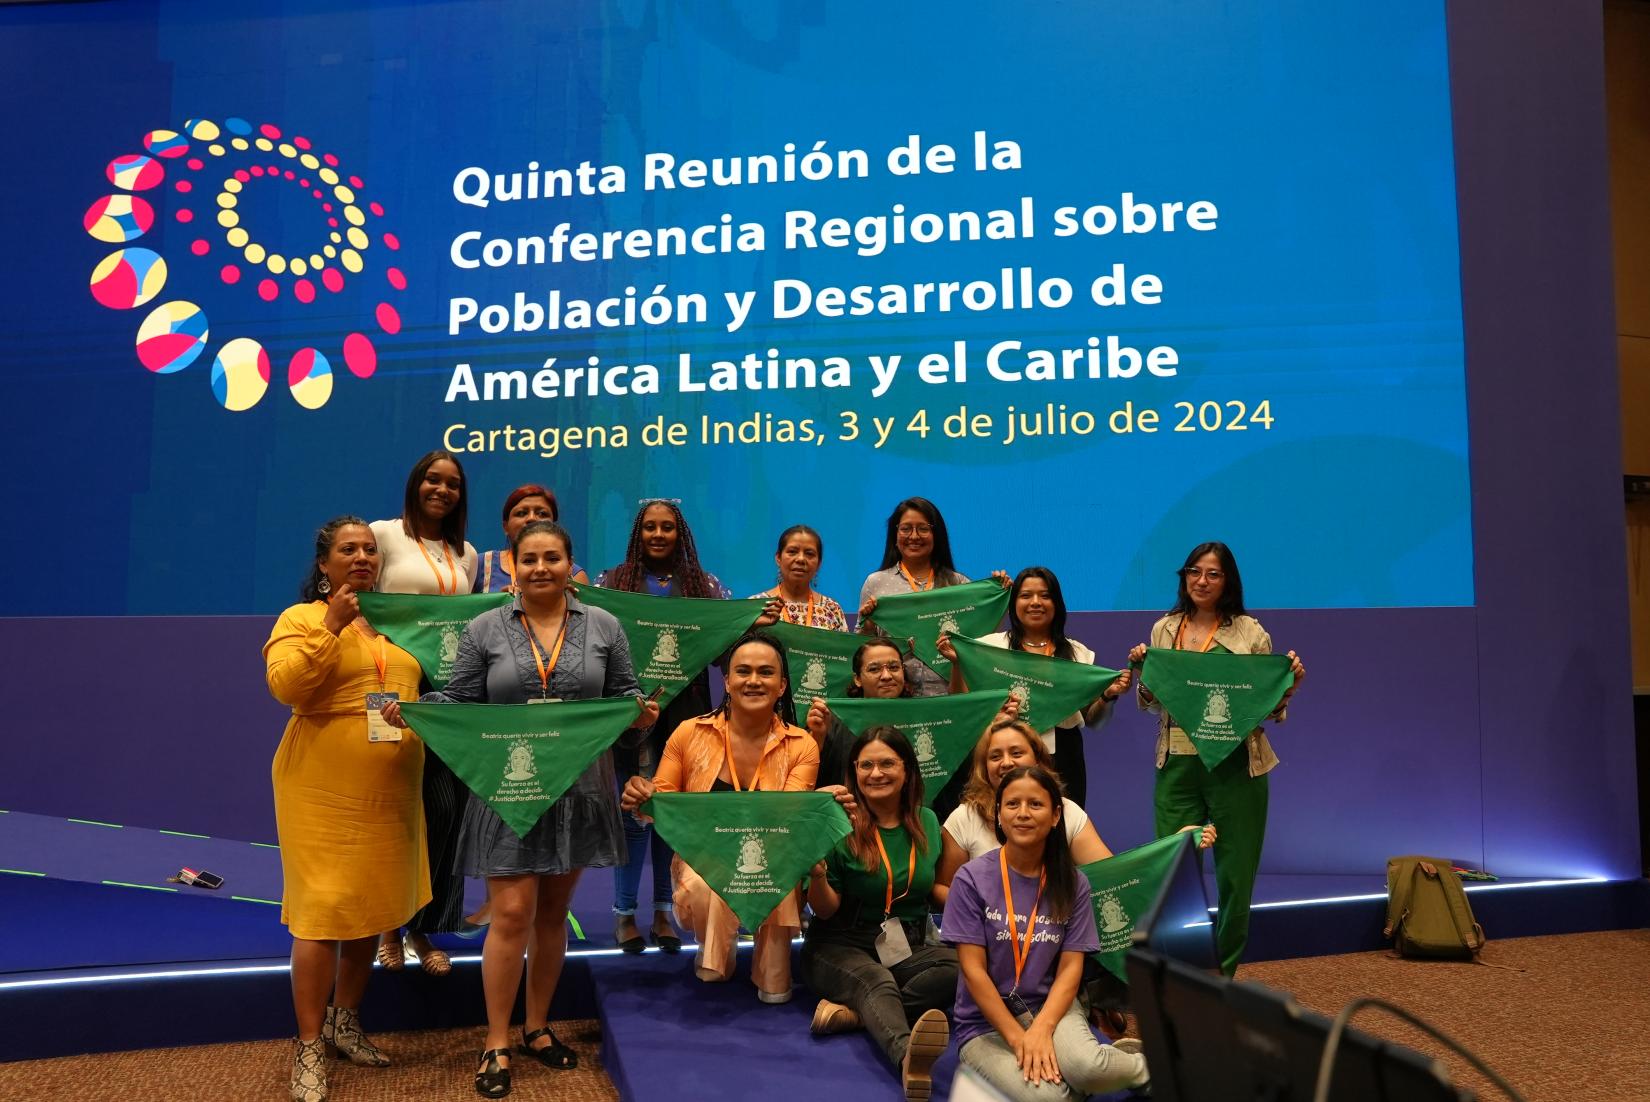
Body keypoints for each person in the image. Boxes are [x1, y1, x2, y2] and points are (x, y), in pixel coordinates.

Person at [381, 520, 659, 1099]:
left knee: (553, 917)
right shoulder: (485, 627)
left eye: (552, 558)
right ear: (512, 564)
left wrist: (639, 718)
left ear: (569, 563)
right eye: (529, 559)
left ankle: (537, 1027)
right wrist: (417, 710)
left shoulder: (604, 625)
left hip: (580, 791)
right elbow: (457, 699)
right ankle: (497, 1040)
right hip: (507, 789)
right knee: (510, 916)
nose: (540, 568)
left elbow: (625, 698)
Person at [264, 516, 430, 1102]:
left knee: (371, 904)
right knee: (322, 909)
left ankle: (345, 1020)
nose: (361, 557)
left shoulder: (396, 624)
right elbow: (287, 686)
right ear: (325, 564)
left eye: (368, 549)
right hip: (320, 786)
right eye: (347, 550)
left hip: (391, 788)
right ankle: (309, 1045)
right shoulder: (302, 618)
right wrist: (331, 626)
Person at [620, 630, 835, 1003]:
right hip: (704, 861)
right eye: (744, 671)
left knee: (777, 868)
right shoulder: (688, 733)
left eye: (766, 673)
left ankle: (772, 965)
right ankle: (715, 948)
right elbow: (662, 800)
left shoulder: (802, 744)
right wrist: (643, 793)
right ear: (727, 681)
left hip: (774, 858)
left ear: (782, 686)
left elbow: (789, 820)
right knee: (707, 884)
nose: (754, 680)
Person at [1128, 541, 1305, 977]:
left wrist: (1287, 688)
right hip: (1178, 766)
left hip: (1237, 767)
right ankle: (1168, 974)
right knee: (1170, 873)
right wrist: (1143, 677)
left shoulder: (1251, 634)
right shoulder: (1163, 630)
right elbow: (1152, 703)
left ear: (1228, 582)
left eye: (1213, 574)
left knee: (1235, 878)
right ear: (1183, 577)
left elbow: (1266, 707)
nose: (1201, 581)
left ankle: (1221, 976)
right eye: (1194, 572)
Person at [942, 765, 1151, 1099]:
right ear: (998, 813)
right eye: (1012, 804)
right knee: (1049, 1098)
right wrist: (1019, 1038)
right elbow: (973, 971)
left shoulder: (1072, 882)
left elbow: (1070, 967)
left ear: (1055, 816)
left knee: (1088, 1069)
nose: (1023, 813)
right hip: (984, 1026)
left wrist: (1042, 1028)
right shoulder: (971, 879)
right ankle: (1088, 1077)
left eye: (1035, 805)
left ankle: (1151, 1071)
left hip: (1049, 1006)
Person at [597, 499, 731, 954]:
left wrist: (747, 624)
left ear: (680, 533)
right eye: (650, 527)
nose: (658, 534)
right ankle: (623, 914)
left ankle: (662, 912)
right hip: (636, 715)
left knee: (672, 816)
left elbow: (722, 649)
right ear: (638, 532)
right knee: (634, 814)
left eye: (668, 527)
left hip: (688, 715)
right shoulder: (613, 582)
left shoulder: (704, 585)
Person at [369, 450, 480, 976]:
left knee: (443, 810)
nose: (441, 489)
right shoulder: (383, 534)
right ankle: (386, 927)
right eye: (432, 480)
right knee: (395, 806)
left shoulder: (470, 554)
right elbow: (365, 605)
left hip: (449, 693)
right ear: (415, 484)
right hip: (389, 685)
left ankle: (423, 927)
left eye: (452, 483)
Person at [803, 727, 957, 1102]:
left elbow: (935, 891)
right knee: (875, 981)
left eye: (887, 763)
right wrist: (817, 873)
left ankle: (858, 1015)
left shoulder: (928, 821)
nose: (876, 773)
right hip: (839, 942)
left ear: (907, 771)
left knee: (963, 967)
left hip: (906, 943)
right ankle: (908, 1059)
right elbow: (825, 908)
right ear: (853, 771)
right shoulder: (838, 822)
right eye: (866, 765)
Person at [942, 566, 1130, 809]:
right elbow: (961, 703)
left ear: (1057, 603)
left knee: (1062, 826)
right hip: (1005, 753)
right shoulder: (989, 647)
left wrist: (1107, 696)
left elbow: (1093, 720)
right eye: (1025, 595)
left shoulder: (1077, 654)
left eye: (1045, 595)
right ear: (1014, 603)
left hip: (1063, 756)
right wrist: (958, 664)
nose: (1035, 602)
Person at [856, 497, 970, 698]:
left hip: (949, 700)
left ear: (936, 534)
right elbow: (860, 651)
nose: (914, 536)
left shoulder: (958, 584)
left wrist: (1000, 587)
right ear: (895, 534)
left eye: (923, 529)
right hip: (895, 702)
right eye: (906, 529)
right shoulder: (876, 583)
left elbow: (974, 643)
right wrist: (868, 625)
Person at [805, 639, 912, 790]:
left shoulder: (922, 716)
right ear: (858, 679)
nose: (886, 676)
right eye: (874, 669)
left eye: (894, 667)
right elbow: (805, 776)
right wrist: (818, 735)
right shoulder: (832, 719)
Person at [475, 485, 590, 592]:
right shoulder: (480, 564)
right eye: (521, 513)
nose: (531, 518)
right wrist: (500, 606)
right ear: (506, 527)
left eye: (542, 513)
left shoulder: (575, 574)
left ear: (554, 526)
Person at [750, 524, 848, 631]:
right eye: (792, 552)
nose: (801, 559)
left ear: (819, 563)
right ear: (778, 558)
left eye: (809, 554)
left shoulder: (832, 609)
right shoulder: (756, 605)